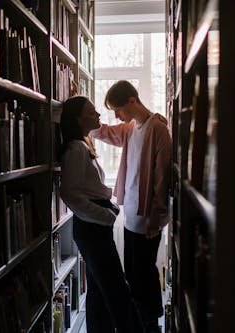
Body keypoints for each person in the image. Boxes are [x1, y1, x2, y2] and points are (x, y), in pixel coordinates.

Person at [90, 80, 172, 333]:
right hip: (130, 216)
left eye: (118, 109)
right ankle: (139, 321)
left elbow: (162, 178)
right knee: (133, 273)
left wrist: (156, 220)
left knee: (145, 274)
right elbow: (106, 132)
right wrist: (85, 123)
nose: (116, 115)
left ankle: (150, 323)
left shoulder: (157, 129)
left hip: (148, 218)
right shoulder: (131, 127)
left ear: (132, 101)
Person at [59, 95, 144, 333]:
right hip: (92, 228)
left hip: (94, 227)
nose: (97, 115)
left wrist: (109, 204)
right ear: (77, 119)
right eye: (91, 111)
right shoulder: (76, 148)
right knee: (117, 289)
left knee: (99, 291)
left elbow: (88, 187)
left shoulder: (84, 144)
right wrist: (105, 215)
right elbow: (70, 193)